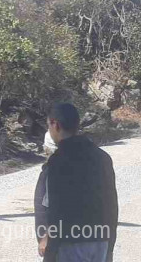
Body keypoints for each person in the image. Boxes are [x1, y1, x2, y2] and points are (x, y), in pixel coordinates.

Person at [44, 103, 118, 262]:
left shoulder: (58, 161)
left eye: (49, 125)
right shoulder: (102, 157)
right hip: (100, 241)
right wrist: (110, 245)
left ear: (55, 125)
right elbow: (112, 203)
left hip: (71, 242)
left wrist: (50, 252)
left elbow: (56, 210)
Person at [35, 131, 58, 262]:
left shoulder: (55, 169)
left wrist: (46, 237)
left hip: (56, 241)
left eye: (47, 149)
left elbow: (56, 207)